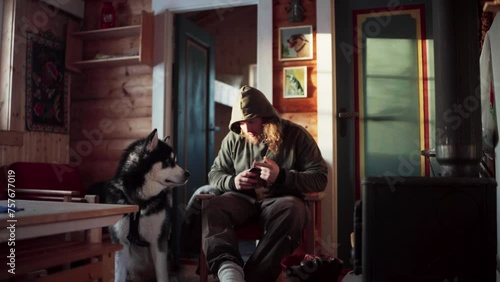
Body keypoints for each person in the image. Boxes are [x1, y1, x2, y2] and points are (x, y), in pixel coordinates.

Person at [188, 85, 328, 282]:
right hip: (241, 198)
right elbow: (215, 173)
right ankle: (230, 273)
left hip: (281, 200)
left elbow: (320, 179)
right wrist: (233, 181)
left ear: (266, 117)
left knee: (293, 211)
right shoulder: (234, 137)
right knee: (212, 207)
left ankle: (254, 278)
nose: (246, 129)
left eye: (252, 122)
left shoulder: (296, 136)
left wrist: (281, 176)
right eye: (241, 123)